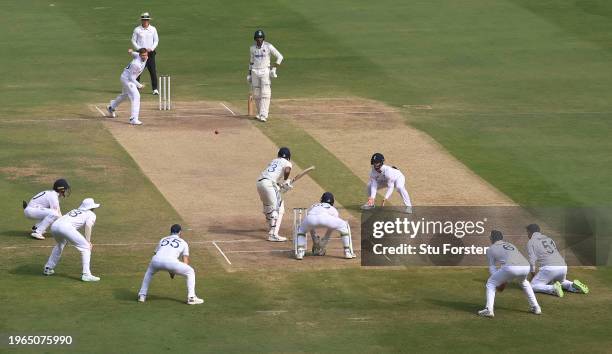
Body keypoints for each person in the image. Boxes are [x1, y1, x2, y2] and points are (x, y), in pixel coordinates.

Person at [478, 230, 541, 318]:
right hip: (526, 266)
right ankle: (536, 307)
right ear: (502, 238)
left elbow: (492, 267)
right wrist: (502, 280)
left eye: (490, 237)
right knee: (524, 282)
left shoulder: (490, 249)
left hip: (511, 268)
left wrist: (500, 281)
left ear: (491, 238)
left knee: (491, 283)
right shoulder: (510, 245)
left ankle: (489, 310)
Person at [137, 224, 204, 305]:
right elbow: (185, 260)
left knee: (149, 272)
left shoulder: (163, 239)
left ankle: (142, 295)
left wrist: (171, 270)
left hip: (156, 260)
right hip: (171, 262)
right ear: (180, 232)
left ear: (171, 232)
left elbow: (156, 253)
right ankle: (191, 298)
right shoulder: (183, 242)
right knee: (190, 271)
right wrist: (174, 270)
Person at [43, 198, 101, 282]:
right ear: (92, 207)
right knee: (86, 247)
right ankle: (86, 274)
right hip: (65, 227)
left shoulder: (75, 210)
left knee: (60, 244)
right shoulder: (91, 214)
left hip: (55, 226)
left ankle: (48, 268)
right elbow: (88, 226)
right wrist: (88, 241)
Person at [526, 223, 589, 297]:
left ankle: (553, 289)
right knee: (561, 282)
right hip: (563, 266)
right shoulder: (549, 239)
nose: (527, 235)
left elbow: (532, 260)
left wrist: (533, 273)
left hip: (550, 268)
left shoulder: (531, 242)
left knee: (533, 286)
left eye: (527, 232)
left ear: (530, 232)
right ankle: (572, 285)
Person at [295, 192, 355, 260]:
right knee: (344, 226)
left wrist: (315, 239)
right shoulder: (333, 209)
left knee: (301, 230)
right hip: (326, 219)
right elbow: (332, 226)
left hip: (310, 219)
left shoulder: (314, 205)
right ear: (332, 202)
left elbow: (310, 223)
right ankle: (348, 252)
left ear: (321, 200)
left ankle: (300, 252)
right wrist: (325, 241)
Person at [256, 147, 293, 242]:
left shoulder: (274, 161)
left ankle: (270, 225)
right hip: (269, 184)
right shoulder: (287, 163)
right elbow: (287, 170)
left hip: (260, 183)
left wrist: (280, 184)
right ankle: (273, 234)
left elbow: (271, 177)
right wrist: (285, 181)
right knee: (279, 207)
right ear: (288, 157)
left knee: (268, 205)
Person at [247, 29, 283, 122]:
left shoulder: (268, 46)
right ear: (255, 39)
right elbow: (251, 62)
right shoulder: (252, 48)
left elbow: (280, 57)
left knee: (265, 93)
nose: (259, 39)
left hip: (265, 71)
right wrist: (249, 74)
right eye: (258, 38)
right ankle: (259, 114)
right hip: (255, 71)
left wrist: (274, 68)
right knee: (256, 94)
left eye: (261, 37)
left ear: (263, 38)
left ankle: (264, 115)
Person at [107, 48, 148, 125]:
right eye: (142, 56)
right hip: (127, 79)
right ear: (140, 55)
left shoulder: (141, 56)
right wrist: (139, 85)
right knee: (136, 96)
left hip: (127, 78)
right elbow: (131, 78)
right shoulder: (136, 64)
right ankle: (133, 119)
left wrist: (131, 52)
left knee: (124, 96)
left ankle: (111, 107)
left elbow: (135, 54)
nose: (144, 57)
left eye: (145, 55)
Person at [131, 12, 159, 95]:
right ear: (141, 20)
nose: (145, 21)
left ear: (148, 20)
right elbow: (133, 40)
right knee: (137, 71)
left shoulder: (153, 29)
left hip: (150, 54)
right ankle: (136, 88)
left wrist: (152, 48)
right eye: (144, 20)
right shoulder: (137, 29)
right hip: (140, 54)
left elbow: (156, 40)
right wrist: (140, 49)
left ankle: (155, 89)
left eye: (146, 20)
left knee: (153, 71)